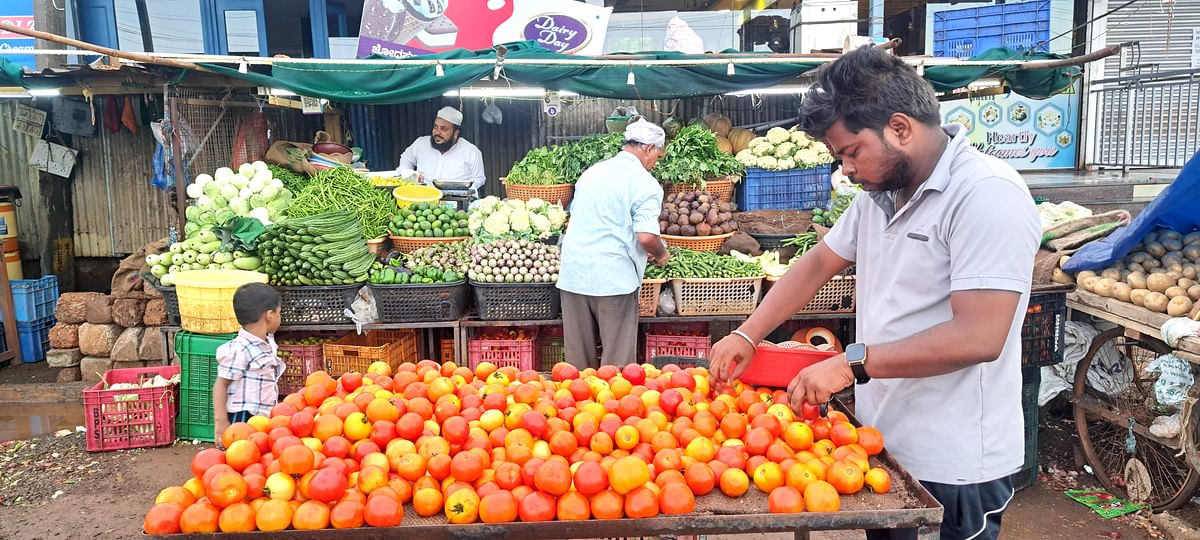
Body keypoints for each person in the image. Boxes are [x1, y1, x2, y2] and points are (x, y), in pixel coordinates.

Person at [708, 46, 1041, 540]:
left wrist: (851, 362)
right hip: (879, 443)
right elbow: (820, 261)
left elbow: (979, 336)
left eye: (851, 151)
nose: (845, 169)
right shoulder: (878, 197)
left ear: (900, 128)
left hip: (955, 459)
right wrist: (748, 333)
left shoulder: (987, 196)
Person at [557, 119, 672, 369]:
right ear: (649, 148)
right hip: (612, 277)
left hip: (574, 273)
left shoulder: (593, 172)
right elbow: (646, 236)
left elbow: (578, 218)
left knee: (577, 364)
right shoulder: (645, 183)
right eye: (658, 157)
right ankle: (611, 407)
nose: (655, 164)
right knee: (616, 367)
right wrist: (661, 255)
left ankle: (576, 407)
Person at [212, 283, 284, 447]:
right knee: (241, 455)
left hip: (263, 417)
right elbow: (220, 385)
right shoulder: (239, 349)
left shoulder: (266, 343)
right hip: (243, 418)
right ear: (270, 315)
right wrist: (221, 421)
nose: (280, 317)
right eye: (280, 313)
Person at [396, 106, 486, 193]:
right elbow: (406, 159)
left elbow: (479, 178)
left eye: (443, 129)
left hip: (456, 202)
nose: (437, 132)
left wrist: (463, 191)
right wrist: (409, 175)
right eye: (435, 127)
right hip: (423, 199)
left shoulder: (471, 151)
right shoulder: (421, 143)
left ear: (456, 134)